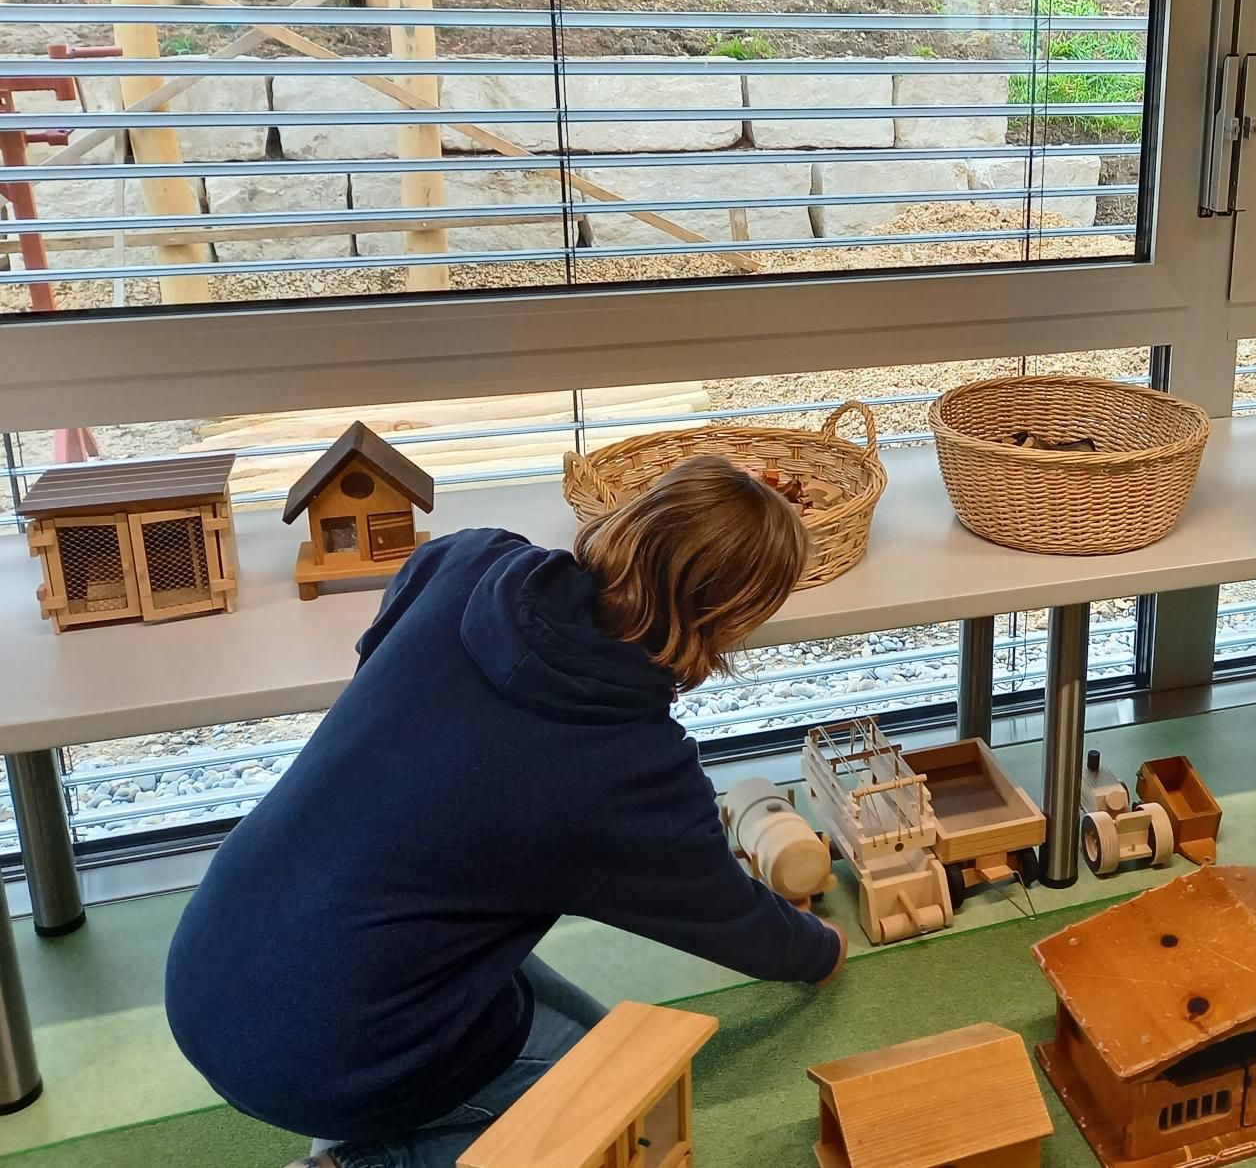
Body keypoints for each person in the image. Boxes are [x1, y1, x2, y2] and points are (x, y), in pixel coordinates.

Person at [165, 456, 845, 1168]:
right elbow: (731, 917)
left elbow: (379, 651)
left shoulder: (467, 560)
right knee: (616, 1113)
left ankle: (365, 1105)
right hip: (323, 1050)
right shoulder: (628, 769)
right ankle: (358, 1157)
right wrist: (822, 951)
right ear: (732, 618)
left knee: (603, 1041)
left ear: (632, 515)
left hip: (209, 960)